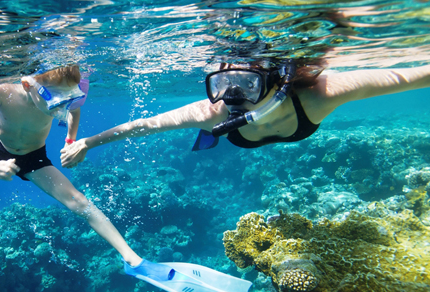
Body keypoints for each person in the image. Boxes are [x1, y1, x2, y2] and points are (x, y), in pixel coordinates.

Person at [0, 65, 142, 268]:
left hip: (34, 159)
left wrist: (70, 141)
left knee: (78, 201)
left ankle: (130, 256)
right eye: (56, 101)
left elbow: (75, 110)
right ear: (27, 85)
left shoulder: (66, 92)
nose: (60, 109)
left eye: (68, 98)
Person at [60, 60, 430, 167]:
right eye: (222, 83)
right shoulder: (213, 112)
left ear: (275, 82)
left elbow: (408, 78)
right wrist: (88, 143)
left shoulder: (317, 95)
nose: (232, 96)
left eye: (247, 84)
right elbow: (144, 126)